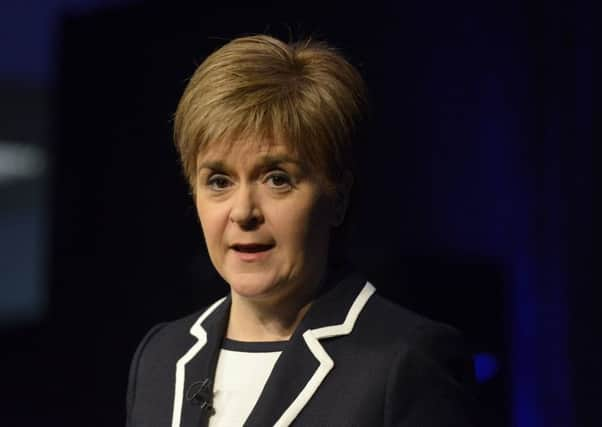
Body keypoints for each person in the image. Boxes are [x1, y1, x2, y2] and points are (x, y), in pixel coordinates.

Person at [125, 34, 479, 427]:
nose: (243, 212)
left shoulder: (405, 361)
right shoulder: (161, 356)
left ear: (338, 198)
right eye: (220, 181)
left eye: (277, 179)